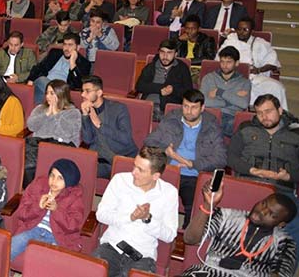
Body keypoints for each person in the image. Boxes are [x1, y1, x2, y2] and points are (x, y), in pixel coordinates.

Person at [145, 89, 227, 228]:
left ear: (202, 108)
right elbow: (149, 141)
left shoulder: (211, 126)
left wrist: (191, 163)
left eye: (194, 107)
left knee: (193, 206)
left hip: (193, 175)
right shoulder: (172, 119)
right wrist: (166, 151)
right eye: (185, 106)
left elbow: (221, 159)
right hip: (168, 170)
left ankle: (186, 234)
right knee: (152, 200)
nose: (189, 111)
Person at [93, 146, 179, 277]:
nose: (133, 172)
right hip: (111, 247)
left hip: (142, 256)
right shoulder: (120, 180)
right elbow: (101, 215)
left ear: (155, 176)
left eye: (140, 170)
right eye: (134, 166)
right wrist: (130, 217)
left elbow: (170, 235)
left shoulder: (169, 193)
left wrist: (147, 219)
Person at [181, 180, 296, 277]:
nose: (262, 211)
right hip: (209, 272)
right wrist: (208, 205)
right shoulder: (226, 216)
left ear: (281, 224)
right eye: (263, 204)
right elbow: (189, 239)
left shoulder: (284, 242)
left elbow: (281, 274)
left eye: (272, 214)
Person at [227, 93, 299, 246]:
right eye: (259, 113)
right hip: (249, 183)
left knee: (296, 225)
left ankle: (283, 262)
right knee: (227, 217)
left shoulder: (295, 133)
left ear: (280, 110)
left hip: (281, 190)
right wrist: (252, 170)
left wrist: (288, 176)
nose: (264, 117)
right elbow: (231, 157)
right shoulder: (246, 128)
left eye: (268, 111)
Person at [11, 159, 84, 261]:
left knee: (43, 262)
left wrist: (56, 210)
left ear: (69, 181)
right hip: (31, 229)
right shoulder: (38, 185)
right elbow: (22, 213)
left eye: (60, 178)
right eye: (52, 175)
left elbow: (73, 225)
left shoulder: (74, 197)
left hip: (57, 236)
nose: (54, 181)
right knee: (7, 251)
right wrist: (38, 207)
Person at [218, 17, 288, 109]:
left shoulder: (260, 43)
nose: (241, 32)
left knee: (277, 87)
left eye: (245, 30)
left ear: (252, 31)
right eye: (239, 29)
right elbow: (218, 60)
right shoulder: (230, 41)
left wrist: (258, 70)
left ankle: (281, 114)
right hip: (232, 77)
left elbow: (273, 63)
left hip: (254, 77)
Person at [24, 80, 83, 186]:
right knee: (25, 160)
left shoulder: (73, 112)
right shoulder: (40, 108)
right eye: (47, 93)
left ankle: (35, 188)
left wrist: (56, 113)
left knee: (31, 163)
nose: (48, 96)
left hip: (62, 146)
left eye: (52, 93)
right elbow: (31, 126)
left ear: (61, 95)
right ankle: (32, 189)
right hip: (38, 144)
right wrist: (46, 114)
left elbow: (65, 134)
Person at [80, 76, 138, 179]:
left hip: (121, 158)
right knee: (76, 166)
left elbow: (126, 138)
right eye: (82, 91)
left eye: (87, 91)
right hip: (100, 159)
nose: (82, 95)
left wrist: (99, 125)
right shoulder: (88, 110)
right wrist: (85, 115)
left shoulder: (118, 109)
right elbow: (87, 140)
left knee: (86, 170)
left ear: (99, 93)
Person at [136, 39, 193, 120]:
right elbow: (139, 86)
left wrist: (173, 90)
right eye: (162, 52)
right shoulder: (151, 67)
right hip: (149, 106)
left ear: (175, 54)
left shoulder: (182, 68)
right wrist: (160, 88)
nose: (165, 56)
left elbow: (189, 92)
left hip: (170, 109)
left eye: (169, 53)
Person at [200, 46, 251, 137]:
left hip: (231, 118)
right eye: (222, 61)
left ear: (237, 63)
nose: (225, 65)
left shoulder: (244, 82)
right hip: (210, 114)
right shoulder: (209, 78)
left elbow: (243, 104)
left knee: (244, 129)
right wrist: (231, 99)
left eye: (229, 62)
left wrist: (220, 92)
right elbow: (203, 101)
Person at [27, 32, 91, 103]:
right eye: (65, 44)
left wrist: (72, 64)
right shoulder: (55, 53)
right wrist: (31, 80)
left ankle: (47, 104)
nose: (66, 48)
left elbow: (78, 85)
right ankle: (56, 100)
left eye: (70, 45)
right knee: (42, 80)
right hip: (44, 83)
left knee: (39, 95)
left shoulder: (84, 63)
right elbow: (39, 67)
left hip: (62, 90)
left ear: (78, 47)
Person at [176, 15, 216, 81]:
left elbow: (209, 58)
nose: (189, 31)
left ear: (198, 29)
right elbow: (171, 52)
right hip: (182, 69)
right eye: (187, 28)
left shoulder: (207, 40)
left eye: (193, 28)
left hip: (198, 70)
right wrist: (178, 40)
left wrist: (188, 61)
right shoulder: (181, 39)